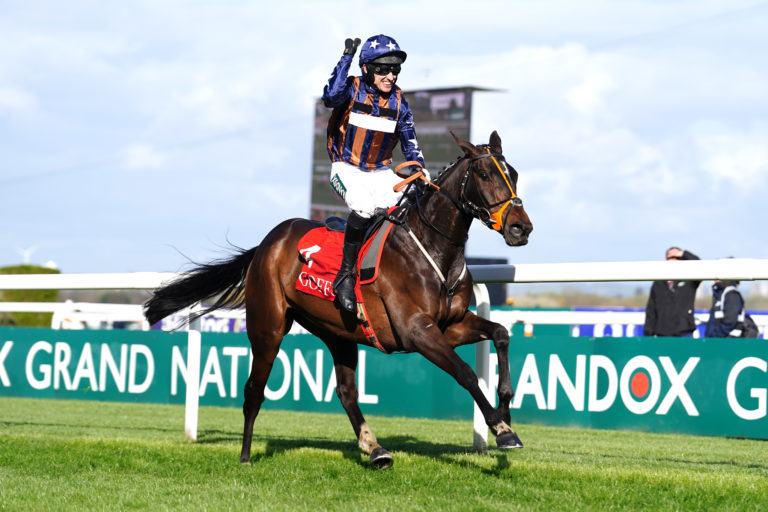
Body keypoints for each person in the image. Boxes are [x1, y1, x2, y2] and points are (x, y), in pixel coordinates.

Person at [322, 34, 428, 312]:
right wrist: (346, 57)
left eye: (395, 69)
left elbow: (410, 142)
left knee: (417, 198)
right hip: (346, 169)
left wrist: (418, 166)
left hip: (381, 172)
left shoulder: (400, 102)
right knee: (364, 206)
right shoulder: (350, 89)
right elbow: (330, 96)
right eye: (383, 68)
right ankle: (345, 274)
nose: (390, 75)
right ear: (366, 68)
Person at [643, 247, 701, 337]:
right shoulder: (658, 282)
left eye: (677, 258)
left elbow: (700, 266)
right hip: (662, 334)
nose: (673, 260)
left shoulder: (689, 279)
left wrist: (683, 254)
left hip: (684, 332)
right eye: (670, 257)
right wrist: (648, 335)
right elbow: (651, 310)